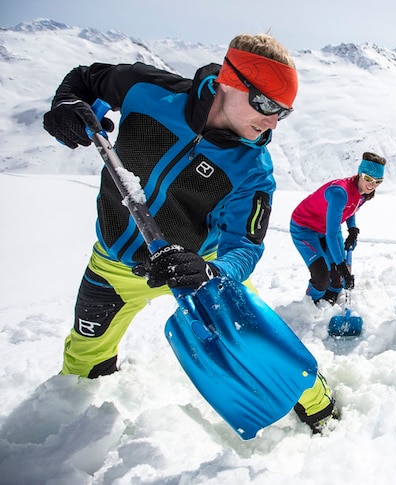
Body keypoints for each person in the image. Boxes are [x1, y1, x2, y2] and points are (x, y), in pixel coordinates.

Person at [42, 33, 336, 432]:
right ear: (229, 80)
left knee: (258, 345)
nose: (271, 122)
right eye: (265, 104)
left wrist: (212, 272)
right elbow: (85, 79)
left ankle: (316, 398)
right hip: (115, 264)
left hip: (195, 272)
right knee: (81, 360)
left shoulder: (254, 172)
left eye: (282, 112)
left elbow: (245, 245)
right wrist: (65, 105)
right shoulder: (149, 91)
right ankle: (80, 431)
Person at [290, 152, 386, 305]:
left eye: (378, 181)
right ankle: (310, 305)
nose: (372, 185)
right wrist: (341, 265)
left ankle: (330, 297)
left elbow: (351, 208)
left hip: (325, 228)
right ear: (359, 174)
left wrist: (352, 229)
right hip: (305, 227)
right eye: (368, 179)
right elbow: (333, 233)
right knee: (322, 277)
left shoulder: (365, 192)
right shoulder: (339, 192)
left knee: (337, 280)